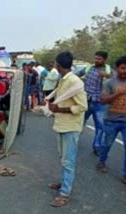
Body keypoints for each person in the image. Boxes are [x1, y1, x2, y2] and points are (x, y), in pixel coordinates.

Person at [47, 52, 87, 207]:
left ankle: (65, 193)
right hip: (62, 125)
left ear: (58, 65)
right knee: (63, 159)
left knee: (68, 161)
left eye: (56, 63)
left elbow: (83, 106)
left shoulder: (74, 82)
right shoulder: (64, 80)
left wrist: (59, 110)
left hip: (70, 126)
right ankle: (64, 183)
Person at [96, 56, 126, 185]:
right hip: (111, 120)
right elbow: (102, 100)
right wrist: (118, 94)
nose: (125, 71)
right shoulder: (109, 83)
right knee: (107, 144)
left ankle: (125, 174)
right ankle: (102, 161)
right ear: (117, 68)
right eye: (123, 68)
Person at [82, 51, 111, 156]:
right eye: (96, 58)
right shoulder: (89, 68)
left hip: (100, 103)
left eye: (99, 59)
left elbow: (115, 80)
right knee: (80, 122)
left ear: (104, 60)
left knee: (100, 126)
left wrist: (107, 76)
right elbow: (76, 75)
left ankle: (97, 146)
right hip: (86, 100)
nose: (96, 60)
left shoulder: (108, 71)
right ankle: (74, 140)